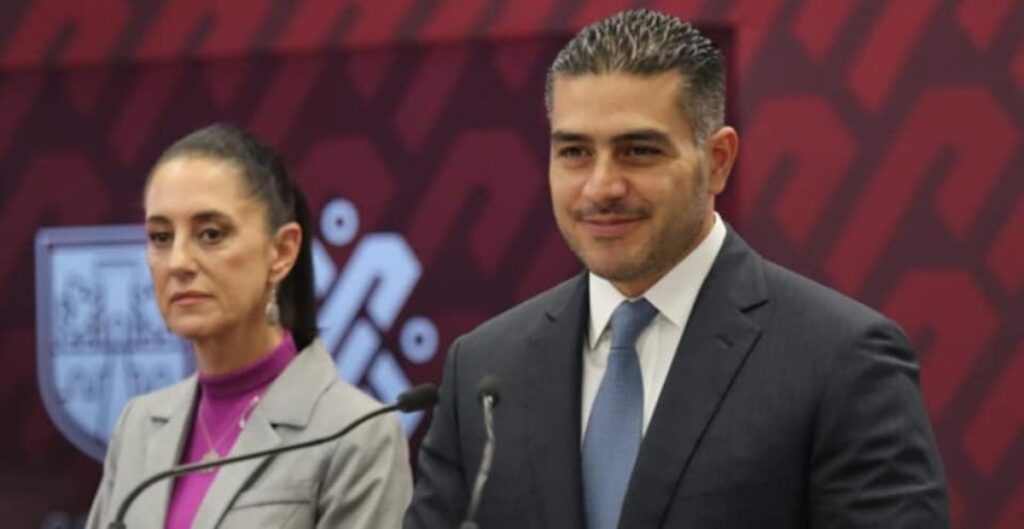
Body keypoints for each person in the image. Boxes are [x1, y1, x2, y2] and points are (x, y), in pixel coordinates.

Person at [405, 9, 949, 529]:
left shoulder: (840, 360)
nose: (600, 188)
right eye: (574, 152)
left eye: (638, 151)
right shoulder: (482, 368)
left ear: (718, 162)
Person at [86, 124, 412, 528]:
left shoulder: (355, 434)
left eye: (210, 234)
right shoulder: (138, 424)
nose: (178, 262)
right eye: (161, 237)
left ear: (282, 251)